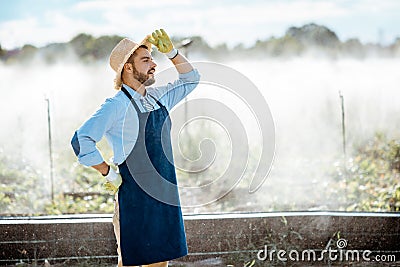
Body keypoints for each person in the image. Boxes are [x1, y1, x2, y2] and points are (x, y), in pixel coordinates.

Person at [71, 29, 200, 267]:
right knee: (130, 263)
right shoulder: (116, 105)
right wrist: (108, 172)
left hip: (164, 193)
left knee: (160, 263)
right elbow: (81, 140)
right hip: (135, 197)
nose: (153, 64)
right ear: (128, 68)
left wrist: (171, 53)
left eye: (152, 59)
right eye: (146, 59)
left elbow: (191, 79)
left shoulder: (159, 97)